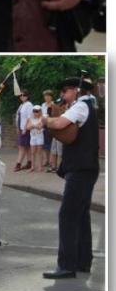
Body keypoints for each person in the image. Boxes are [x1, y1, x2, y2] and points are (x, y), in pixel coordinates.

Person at [42, 77, 99, 279]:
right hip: (87, 168)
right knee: (81, 216)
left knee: (67, 216)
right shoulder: (86, 105)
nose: (63, 95)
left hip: (81, 169)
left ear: (75, 90)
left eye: (65, 91)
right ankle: (83, 262)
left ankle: (66, 266)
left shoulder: (80, 106)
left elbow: (59, 123)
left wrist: (45, 120)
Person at [15, 90, 33, 171]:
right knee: (26, 147)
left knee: (22, 147)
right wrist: (18, 128)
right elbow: (18, 117)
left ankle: (18, 164)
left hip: (25, 129)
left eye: (23, 95)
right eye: (20, 95)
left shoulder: (29, 105)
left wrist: (25, 129)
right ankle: (29, 163)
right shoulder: (22, 105)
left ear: (27, 96)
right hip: (21, 128)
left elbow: (29, 118)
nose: (21, 97)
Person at [26, 105, 45, 172]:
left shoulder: (42, 118)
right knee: (32, 152)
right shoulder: (30, 118)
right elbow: (27, 127)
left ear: (40, 111)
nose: (35, 113)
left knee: (39, 152)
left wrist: (32, 126)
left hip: (39, 136)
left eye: (37, 111)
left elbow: (40, 126)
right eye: (34, 111)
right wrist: (35, 126)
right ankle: (32, 167)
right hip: (33, 136)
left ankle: (41, 166)